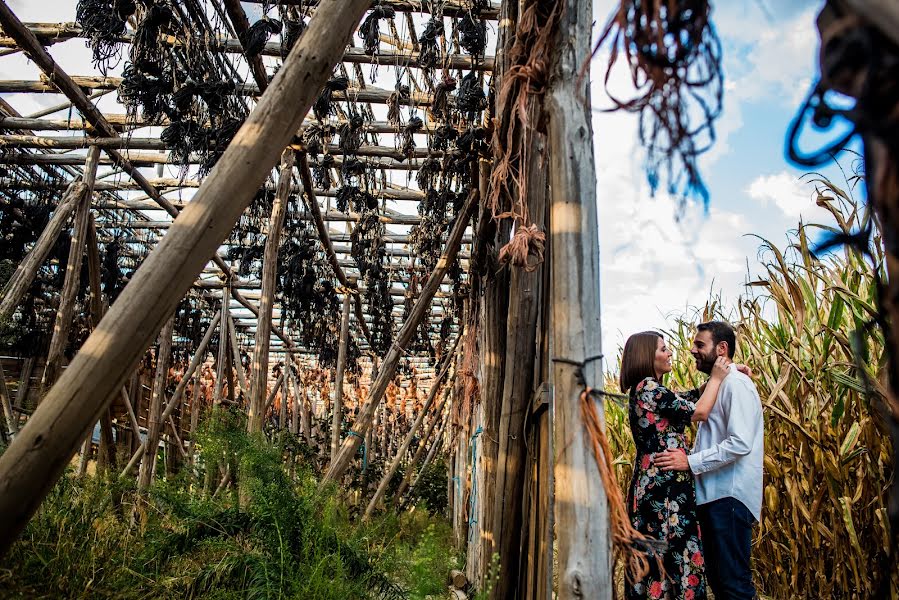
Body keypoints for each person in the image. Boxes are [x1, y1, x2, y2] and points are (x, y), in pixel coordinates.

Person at [655, 321, 764, 600]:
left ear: (722, 348)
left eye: (700, 344)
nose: (692, 350)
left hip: (728, 496)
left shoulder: (736, 385)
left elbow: (740, 442)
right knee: (721, 583)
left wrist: (689, 462)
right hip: (715, 497)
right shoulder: (720, 385)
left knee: (733, 585)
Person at [620, 330, 731, 600]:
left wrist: (729, 371)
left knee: (665, 555)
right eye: (663, 349)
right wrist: (717, 378)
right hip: (662, 489)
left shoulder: (653, 390)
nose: (670, 353)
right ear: (647, 356)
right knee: (669, 553)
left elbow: (689, 398)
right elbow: (699, 411)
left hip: (662, 486)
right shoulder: (647, 386)